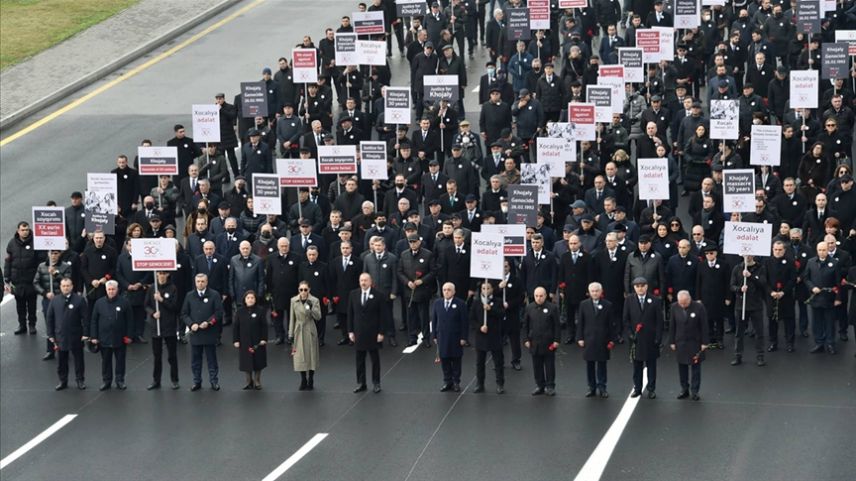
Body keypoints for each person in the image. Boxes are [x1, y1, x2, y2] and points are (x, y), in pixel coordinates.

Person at [182, 273, 225, 391]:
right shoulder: (189, 295)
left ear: (206, 282)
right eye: (198, 281)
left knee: (211, 359)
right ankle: (197, 381)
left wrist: (209, 322)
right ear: (195, 282)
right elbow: (184, 314)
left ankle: (214, 381)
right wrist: (191, 324)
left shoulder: (214, 295)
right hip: (196, 333)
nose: (200, 284)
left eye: (202, 281)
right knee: (195, 360)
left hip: (209, 332)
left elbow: (219, 313)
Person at [623, 277, 664, 399]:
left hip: (651, 339)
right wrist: (630, 334)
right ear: (634, 288)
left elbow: (659, 321)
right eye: (637, 286)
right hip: (636, 340)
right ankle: (637, 388)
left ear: (647, 286)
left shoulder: (655, 300)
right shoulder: (629, 300)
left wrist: (658, 337)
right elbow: (626, 320)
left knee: (651, 366)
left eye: (642, 286)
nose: (640, 288)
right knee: (637, 366)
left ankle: (651, 389)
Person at [45, 277, 88, 390]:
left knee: (78, 360)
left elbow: (86, 318)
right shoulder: (55, 300)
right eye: (63, 286)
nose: (66, 288)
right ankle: (63, 381)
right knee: (62, 360)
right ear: (60, 287)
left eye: (68, 286)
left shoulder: (79, 300)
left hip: (76, 335)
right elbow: (49, 318)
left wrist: (86, 333)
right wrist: (50, 335)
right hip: (61, 336)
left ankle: (80, 380)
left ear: (72, 286)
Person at [347, 273, 387, 393]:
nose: (363, 283)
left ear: (370, 282)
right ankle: (361, 383)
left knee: (375, 359)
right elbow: (350, 314)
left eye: (365, 280)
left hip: (373, 333)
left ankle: (376, 383)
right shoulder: (353, 294)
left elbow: (383, 316)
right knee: (359, 359)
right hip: (358, 332)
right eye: (361, 280)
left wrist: (381, 332)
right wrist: (350, 331)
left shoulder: (378, 295)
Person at [90, 280, 133, 391]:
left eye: (113, 289)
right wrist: (94, 336)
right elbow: (94, 320)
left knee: (120, 360)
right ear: (106, 290)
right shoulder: (99, 303)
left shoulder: (124, 302)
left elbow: (130, 320)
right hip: (104, 338)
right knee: (106, 361)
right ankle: (106, 381)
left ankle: (120, 380)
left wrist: (129, 335)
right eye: (109, 289)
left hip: (120, 338)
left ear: (117, 289)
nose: (111, 291)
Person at [804, 242, 844, 355]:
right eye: (820, 250)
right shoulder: (810, 262)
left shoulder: (835, 263)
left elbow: (838, 283)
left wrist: (838, 298)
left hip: (829, 298)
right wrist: (812, 288)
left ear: (828, 250)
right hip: (816, 298)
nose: (822, 252)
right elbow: (806, 278)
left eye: (824, 250)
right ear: (817, 250)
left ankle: (830, 343)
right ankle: (819, 343)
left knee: (830, 322)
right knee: (816, 322)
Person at [669, 291, 709, 401]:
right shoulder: (674, 307)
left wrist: (705, 342)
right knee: (682, 367)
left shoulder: (699, 307)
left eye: (685, 303)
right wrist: (671, 341)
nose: (682, 306)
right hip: (680, 342)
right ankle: (684, 389)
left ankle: (695, 391)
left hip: (695, 343)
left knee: (696, 368)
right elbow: (672, 325)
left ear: (689, 299)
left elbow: (704, 326)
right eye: (680, 303)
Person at [577, 282, 615, 399]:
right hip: (589, 339)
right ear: (589, 292)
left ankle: (602, 387)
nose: (595, 293)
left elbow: (611, 324)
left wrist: (611, 339)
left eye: (597, 291)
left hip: (603, 339)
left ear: (601, 291)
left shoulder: (608, 305)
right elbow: (581, 322)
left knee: (602, 364)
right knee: (590, 364)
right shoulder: (583, 304)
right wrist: (580, 338)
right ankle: (591, 387)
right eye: (592, 291)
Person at [729, 255, 768, 366]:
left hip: (756, 305)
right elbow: (732, 285)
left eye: (750, 254)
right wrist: (739, 289)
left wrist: (751, 276)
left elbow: (763, 283)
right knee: (739, 333)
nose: (747, 256)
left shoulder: (761, 268)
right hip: (741, 305)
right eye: (745, 254)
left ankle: (760, 356)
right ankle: (738, 356)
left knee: (759, 332)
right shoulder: (737, 268)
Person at [4, 221, 42, 335]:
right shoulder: (11, 244)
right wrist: (7, 278)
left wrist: (39, 277)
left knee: (31, 305)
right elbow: (8, 262)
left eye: (26, 230)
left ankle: (32, 325)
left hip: (31, 280)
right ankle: (22, 325)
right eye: (22, 230)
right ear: (18, 231)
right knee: (20, 306)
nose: (25, 232)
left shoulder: (36, 243)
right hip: (17, 281)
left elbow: (40, 261)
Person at [144, 271, 180, 390]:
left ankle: (174, 379)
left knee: (172, 356)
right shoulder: (152, 288)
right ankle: (156, 380)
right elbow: (146, 305)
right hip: (156, 326)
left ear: (168, 275)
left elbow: (175, 307)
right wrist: (153, 313)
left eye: (164, 273)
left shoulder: (173, 288)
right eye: (159, 273)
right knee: (157, 356)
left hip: (169, 326)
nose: (162, 276)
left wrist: (161, 300)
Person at [522, 286, 561, 396]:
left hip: (548, 342)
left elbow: (557, 326)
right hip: (534, 342)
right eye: (536, 296)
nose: (539, 298)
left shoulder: (552, 308)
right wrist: (525, 339)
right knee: (537, 365)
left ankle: (550, 386)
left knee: (549, 365)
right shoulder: (529, 308)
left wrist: (557, 340)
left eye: (541, 296)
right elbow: (525, 325)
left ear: (545, 296)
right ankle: (540, 385)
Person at [431, 282, 469, 393]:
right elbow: (434, 320)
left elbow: (464, 323)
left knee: (456, 360)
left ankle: (456, 381)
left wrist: (464, 337)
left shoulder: (460, 304)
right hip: (442, 336)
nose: (446, 292)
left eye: (449, 290)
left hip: (456, 337)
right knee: (444, 359)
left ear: (454, 291)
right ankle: (447, 381)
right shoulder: (437, 303)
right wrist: (434, 335)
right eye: (444, 290)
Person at [470, 282, 505, 394]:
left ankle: (500, 384)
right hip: (481, 337)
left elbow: (502, 314)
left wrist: (491, 309)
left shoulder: (498, 301)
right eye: (483, 288)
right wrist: (479, 327)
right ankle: (480, 383)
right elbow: (472, 319)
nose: (485, 290)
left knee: (498, 362)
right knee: (480, 362)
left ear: (492, 289)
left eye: (488, 288)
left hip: (494, 335)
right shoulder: (476, 303)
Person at [233, 290, 268, 390]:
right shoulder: (240, 311)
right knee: (246, 362)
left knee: (258, 361)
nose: (250, 300)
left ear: (255, 299)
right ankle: (248, 381)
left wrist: (264, 339)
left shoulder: (260, 311)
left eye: (252, 298)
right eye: (248, 298)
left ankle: (257, 381)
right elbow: (236, 327)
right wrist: (236, 340)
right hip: (244, 341)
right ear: (245, 299)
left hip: (258, 341)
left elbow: (264, 326)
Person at [289, 281, 321, 391]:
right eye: (301, 289)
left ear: (309, 290)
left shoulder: (314, 300)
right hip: (298, 329)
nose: (303, 292)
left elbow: (318, 317)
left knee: (311, 355)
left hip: (310, 328)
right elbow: (292, 318)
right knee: (299, 356)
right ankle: (303, 379)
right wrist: (290, 334)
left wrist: (311, 308)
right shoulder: (294, 300)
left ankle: (311, 378)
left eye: (305, 289)